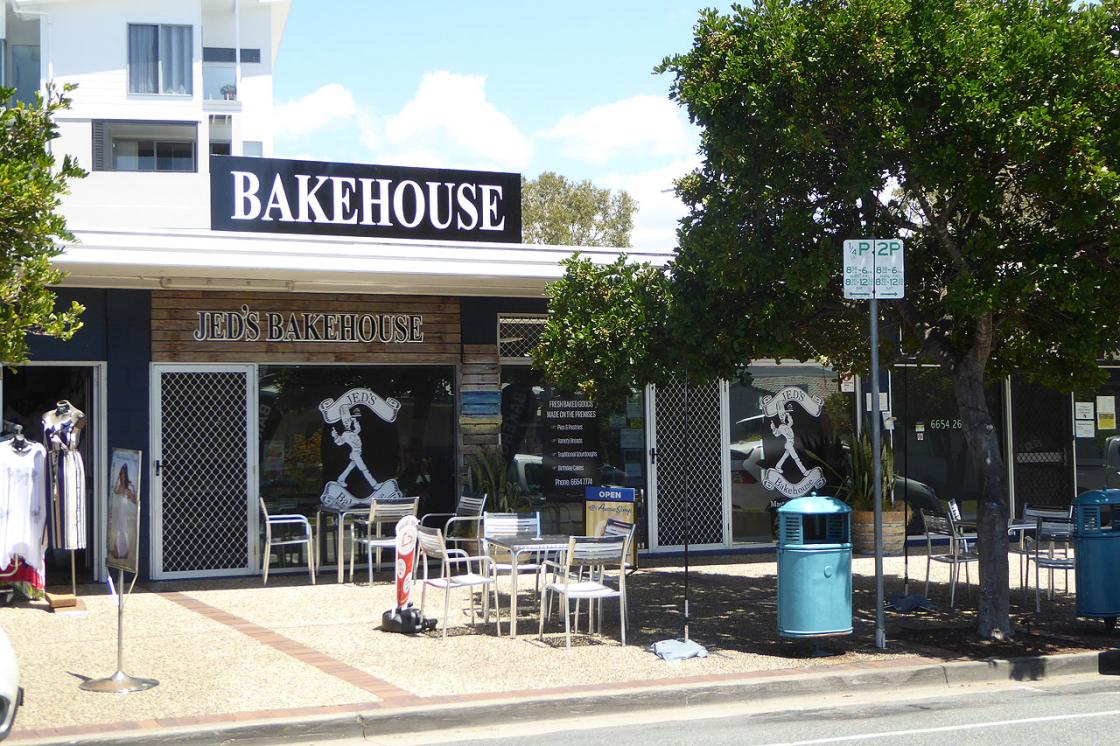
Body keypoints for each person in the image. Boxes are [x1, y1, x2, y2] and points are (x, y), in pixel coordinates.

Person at [771, 404, 809, 478]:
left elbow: (791, 422)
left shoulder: (787, 425)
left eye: (783, 415)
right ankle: (804, 471)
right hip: (789, 444)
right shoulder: (781, 427)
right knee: (796, 458)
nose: (782, 417)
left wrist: (788, 415)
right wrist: (773, 428)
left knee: (785, 456)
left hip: (791, 443)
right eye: (781, 416)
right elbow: (776, 434)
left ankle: (778, 466)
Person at [110, 463, 137, 560]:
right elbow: (114, 491)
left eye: (123, 474)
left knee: (124, 531)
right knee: (118, 531)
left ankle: (124, 552)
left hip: (125, 515)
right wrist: (117, 479)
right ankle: (118, 552)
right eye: (120, 474)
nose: (122, 476)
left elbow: (135, 501)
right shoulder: (119, 488)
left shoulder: (127, 489)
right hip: (118, 514)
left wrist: (133, 488)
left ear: (126, 475)